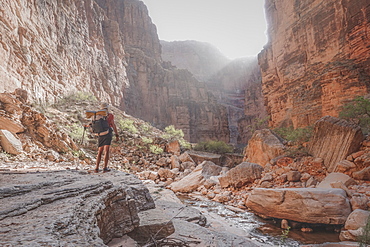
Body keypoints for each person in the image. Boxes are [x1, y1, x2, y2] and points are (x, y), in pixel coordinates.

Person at [94, 102, 119, 173]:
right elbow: (113, 125)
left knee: (100, 151)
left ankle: (96, 168)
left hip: (100, 134)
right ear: (107, 108)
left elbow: (93, 123)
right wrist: (117, 134)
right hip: (107, 133)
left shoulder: (98, 115)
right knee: (106, 150)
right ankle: (105, 168)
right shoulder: (110, 115)